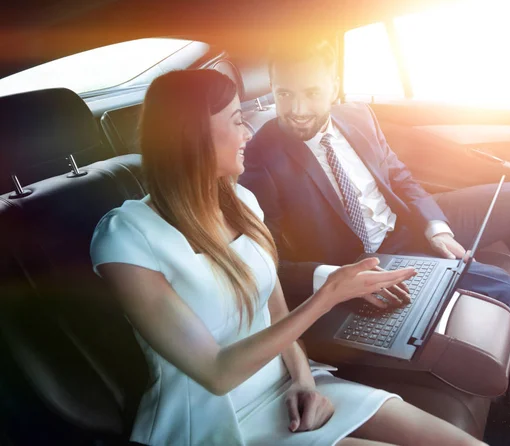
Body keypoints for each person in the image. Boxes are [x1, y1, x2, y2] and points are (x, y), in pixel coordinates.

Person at [89, 69, 485, 446]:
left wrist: (303, 379)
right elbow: (215, 372)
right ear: (191, 135)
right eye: (236, 120)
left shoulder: (242, 203)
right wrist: (327, 295)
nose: (248, 132)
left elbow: (276, 315)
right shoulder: (127, 237)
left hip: (287, 383)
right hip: (211, 418)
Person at [239, 40, 510, 399]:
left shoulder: (358, 115)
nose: (297, 109)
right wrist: (335, 277)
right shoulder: (257, 160)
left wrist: (435, 226)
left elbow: (399, 177)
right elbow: (269, 263)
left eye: (311, 93)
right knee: (505, 291)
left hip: (407, 223)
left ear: (333, 87)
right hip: (370, 258)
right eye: (284, 94)